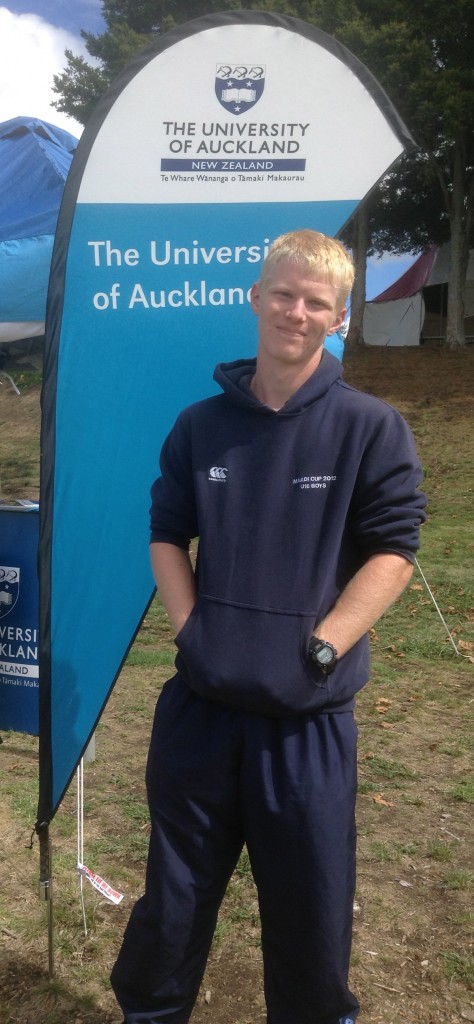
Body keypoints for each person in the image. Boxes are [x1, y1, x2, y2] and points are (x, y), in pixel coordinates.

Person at [111, 229, 426, 1024]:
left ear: (338, 317)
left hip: (306, 727)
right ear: (254, 297)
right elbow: (166, 533)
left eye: (315, 302)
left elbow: (394, 550)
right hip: (201, 718)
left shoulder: (370, 427)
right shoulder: (199, 424)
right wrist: (192, 630)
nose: (295, 311)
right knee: (172, 910)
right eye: (282, 293)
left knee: (312, 923)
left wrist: (324, 644)